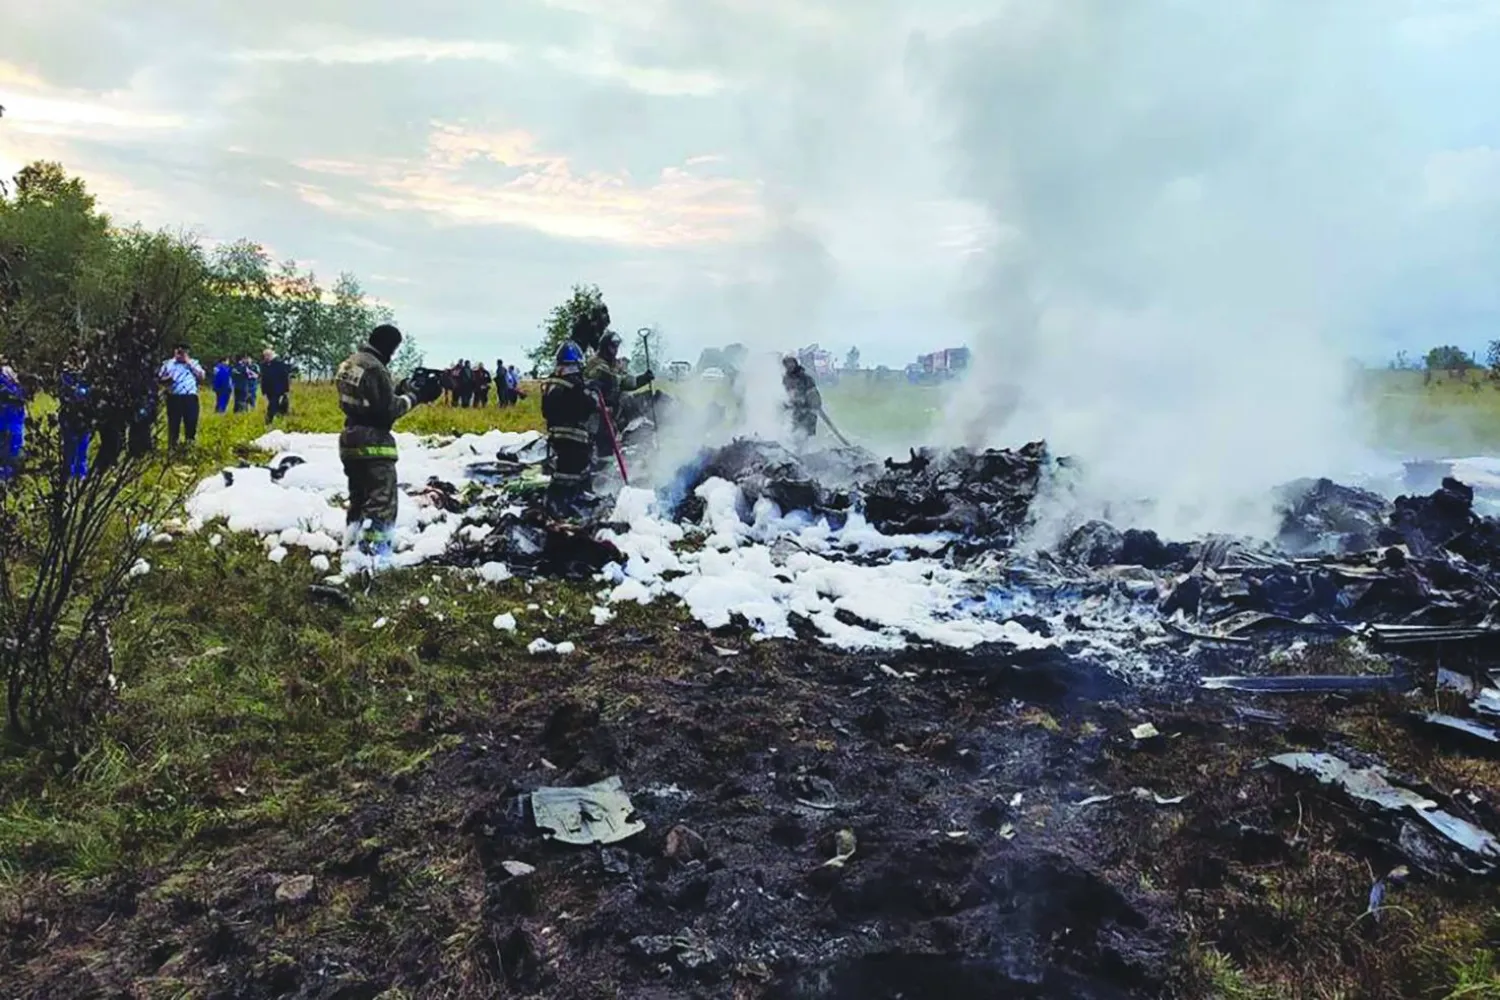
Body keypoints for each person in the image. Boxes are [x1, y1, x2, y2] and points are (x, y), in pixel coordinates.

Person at [334, 324, 440, 563]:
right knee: (381, 501)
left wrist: (399, 388)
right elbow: (387, 411)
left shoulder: (350, 363)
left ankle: (350, 547)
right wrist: (415, 397)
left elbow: (368, 398)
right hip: (374, 443)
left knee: (358, 499)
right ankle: (373, 554)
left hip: (349, 439)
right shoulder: (375, 368)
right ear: (390, 346)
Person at [541, 341, 597, 517]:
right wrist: (592, 394)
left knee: (564, 471)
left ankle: (562, 503)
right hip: (574, 436)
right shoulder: (575, 384)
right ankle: (562, 505)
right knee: (571, 473)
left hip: (556, 434)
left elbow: (546, 410)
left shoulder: (551, 382)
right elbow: (585, 407)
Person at [582, 331, 652, 459]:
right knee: (598, 446)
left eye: (616, 347)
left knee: (608, 446)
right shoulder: (596, 362)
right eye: (612, 346)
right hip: (595, 414)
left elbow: (625, 381)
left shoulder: (614, 365)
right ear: (605, 347)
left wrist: (642, 379)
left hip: (610, 414)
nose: (615, 350)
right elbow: (611, 380)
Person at [159, 343, 205, 448]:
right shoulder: (168, 363)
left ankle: (189, 445)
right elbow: (159, 377)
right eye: (178, 351)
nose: (181, 353)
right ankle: (172, 446)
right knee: (174, 424)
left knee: (191, 422)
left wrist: (188, 362)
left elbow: (202, 376)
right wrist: (166, 380)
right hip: (174, 396)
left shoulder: (193, 363)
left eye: (183, 351)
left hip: (190, 396)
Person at [781, 355, 822, 441]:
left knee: (806, 438)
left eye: (791, 362)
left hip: (807, 414)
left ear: (795, 363)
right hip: (793, 414)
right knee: (793, 437)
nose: (789, 365)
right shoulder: (784, 380)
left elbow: (814, 397)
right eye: (787, 363)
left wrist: (804, 401)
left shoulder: (806, 379)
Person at [0, 355, 26, 481]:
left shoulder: (8, 373)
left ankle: (8, 476)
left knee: (12, 449)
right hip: (5, 420)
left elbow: (19, 391)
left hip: (14, 419)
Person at [261, 348, 291, 425]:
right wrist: (263, 390)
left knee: (272, 406)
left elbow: (285, 377)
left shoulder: (279, 364)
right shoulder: (264, 365)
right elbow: (263, 379)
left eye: (267, 355)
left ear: (271, 355)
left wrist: (286, 390)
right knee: (275, 406)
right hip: (268, 390)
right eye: (265, 356)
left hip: (278, 390)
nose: (266, 357)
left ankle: (268, 422)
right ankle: (279, 418)